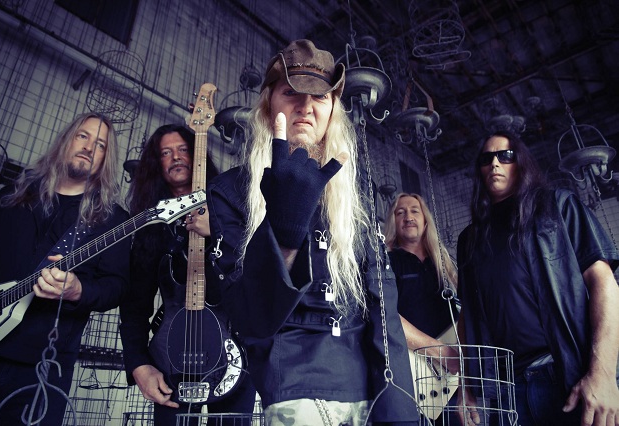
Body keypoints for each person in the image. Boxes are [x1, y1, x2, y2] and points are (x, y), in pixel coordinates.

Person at [206, 39, 419, 425]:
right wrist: (284, 232)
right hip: (292, 388)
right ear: (268, 104)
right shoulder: (229, 192)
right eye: (291, 93)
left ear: (333, 110)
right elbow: (248, 316)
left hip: (368, 388)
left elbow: (382, 307)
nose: (306, 106)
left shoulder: (354, 195)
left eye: (319, 97)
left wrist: (399, 408)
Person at [0, 112, 130, 425]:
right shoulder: (11, 195)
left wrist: (79, 291)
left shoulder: (112, 220)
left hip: (43, 367)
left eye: (100, 145)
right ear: (66, 140)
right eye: (83, 136)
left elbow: (117, 286)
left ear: (105, 160)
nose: (89, 148)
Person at [456, 130, 619, 425]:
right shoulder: (469, 240)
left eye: (505, 156)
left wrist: (603, 374)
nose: (495, 163)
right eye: (486, 159)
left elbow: (604, 283)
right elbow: (468, 316)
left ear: (521, 163)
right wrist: (468, 384)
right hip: (507, 388)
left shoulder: (559, 206)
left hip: (569, 376)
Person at [119, 124, 256, 425]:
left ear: (197, 156)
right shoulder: (150, 227)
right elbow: (134, 304)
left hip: (235, 355)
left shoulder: (229, 207)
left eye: (183, 150)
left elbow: (260, 265)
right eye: (166, 153)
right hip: (172, 361)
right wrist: (138, 364)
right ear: (157, 164)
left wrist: (218, 230)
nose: (176, 157)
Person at [384, 193, 460, 423]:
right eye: (400, 212)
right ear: (393, 223)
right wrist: (439, 351)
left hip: (452, 376)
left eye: (415, 211)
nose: (408, 217)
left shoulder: (443, 262)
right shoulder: (387, 261)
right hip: (413, 370)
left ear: (425, 220)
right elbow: (385, 315)